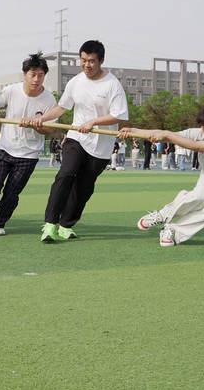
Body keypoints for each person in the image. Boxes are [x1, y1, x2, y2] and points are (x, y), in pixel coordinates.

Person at [29, 40, 129, 243]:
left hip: (101, 146)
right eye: (83, 60)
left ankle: (66, 225)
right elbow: (62, 107)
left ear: (101, 60)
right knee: (66, 174)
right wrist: (43, 118)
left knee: (84, 187)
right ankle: (50, 224)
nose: (86, 65)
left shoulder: (112, 84)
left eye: (91, 61)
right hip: (77, 138)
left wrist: (94, 121)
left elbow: (119, 115)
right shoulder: (75, 82)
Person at [121, 103, 204, 246]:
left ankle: (173, 230)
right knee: (198, 196)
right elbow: (170, 135)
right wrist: (133, 131)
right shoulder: (202, 132)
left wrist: (167, 135)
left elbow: (195, 146)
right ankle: (162, 215)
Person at [0, 52, 57, 236]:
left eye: (41, 75)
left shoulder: (49, 100)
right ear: (25, 74)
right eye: (33, 74)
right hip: (4, 148)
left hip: (28, 155)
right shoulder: (12, 90)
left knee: (11, 193)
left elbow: (49, 130)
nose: (37, 79)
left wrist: (35, 125)